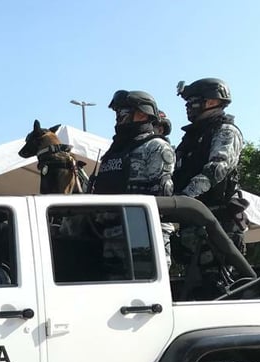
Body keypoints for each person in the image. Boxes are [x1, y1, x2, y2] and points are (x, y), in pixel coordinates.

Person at [173, 77, 248, 254]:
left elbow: (217, 168)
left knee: (216, 276)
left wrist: (183, 198)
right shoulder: (191, 137)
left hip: (219, 220)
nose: (188, 106)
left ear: (212, 101)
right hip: (194, 217)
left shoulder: (225, 131)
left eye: (193, 101)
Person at [92, 90, 175, 197]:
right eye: (117, 112)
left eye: (122, 112)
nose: (118, 117)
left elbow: (162, 197)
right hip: (104, 212)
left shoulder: (156, 147)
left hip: (138, 213)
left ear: (142, 114)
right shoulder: (115, 149)